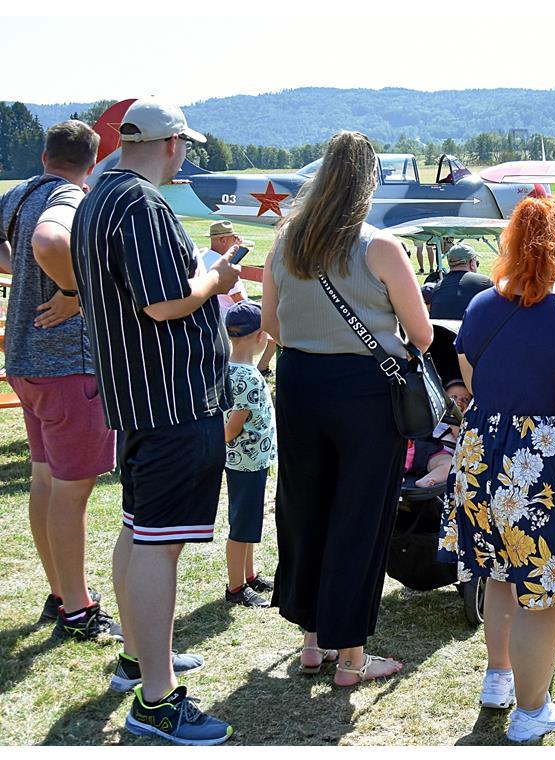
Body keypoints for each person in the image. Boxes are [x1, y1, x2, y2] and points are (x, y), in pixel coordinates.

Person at [71, 97, 239, 745]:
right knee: (157, 544)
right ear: (172, 143)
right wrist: (216, 279)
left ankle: (142, 660)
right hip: (171, 400)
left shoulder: (96, 196)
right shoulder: (140, 204)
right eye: (186, 146)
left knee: (140, 530)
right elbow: (166, 303)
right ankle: (157, 700)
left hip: (140, 397)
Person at [260, 130, 433, 687]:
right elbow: (422, 335)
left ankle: (312, 642)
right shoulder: (379, 246)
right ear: (369, 183)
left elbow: (270, 326)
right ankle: (352, 658)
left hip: (300, 383)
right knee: (359, 516)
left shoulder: (284, 243)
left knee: (305, 508)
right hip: (364, 390)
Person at [437, 193, 555, 743]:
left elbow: (476, 381)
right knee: (543, 592)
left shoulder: (481, 306)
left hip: (482, 459)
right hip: (540, 475)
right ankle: (531, 712)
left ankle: (498, 678)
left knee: (499, 575)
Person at [0, 120, 120, 639]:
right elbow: (51, 240)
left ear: (46, 154)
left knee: (47, 481)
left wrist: (19, 273)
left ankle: (59, 593)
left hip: (26, 363)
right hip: (68, 366)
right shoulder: (70, 198)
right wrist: (74, 292)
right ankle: (77, 607)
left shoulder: (21, 193)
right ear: (92, 162)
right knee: (72, 492)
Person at [221, 300, 277, 608]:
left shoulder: (232, 369)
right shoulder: (246, 376)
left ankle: (249, 573)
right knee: (242, 524)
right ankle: (236, 586)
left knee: (249, 520)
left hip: (250, 460)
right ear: (260, 336)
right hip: (245, 462)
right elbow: (232, 426)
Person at [202, 220, 276, 376]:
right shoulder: (225, 264)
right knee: (273, 327)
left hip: (215, 314)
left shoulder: (204, 256)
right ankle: (261, 367)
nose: (237, 240)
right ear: (223, 240)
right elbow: (239, 298)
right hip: (232, 316)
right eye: (233, 237)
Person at [421, 242, 493, 319]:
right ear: (472, 263)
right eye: (476, 262)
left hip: (440, 330)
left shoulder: (438, 288)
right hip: (467, 330)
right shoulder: (485, 283)